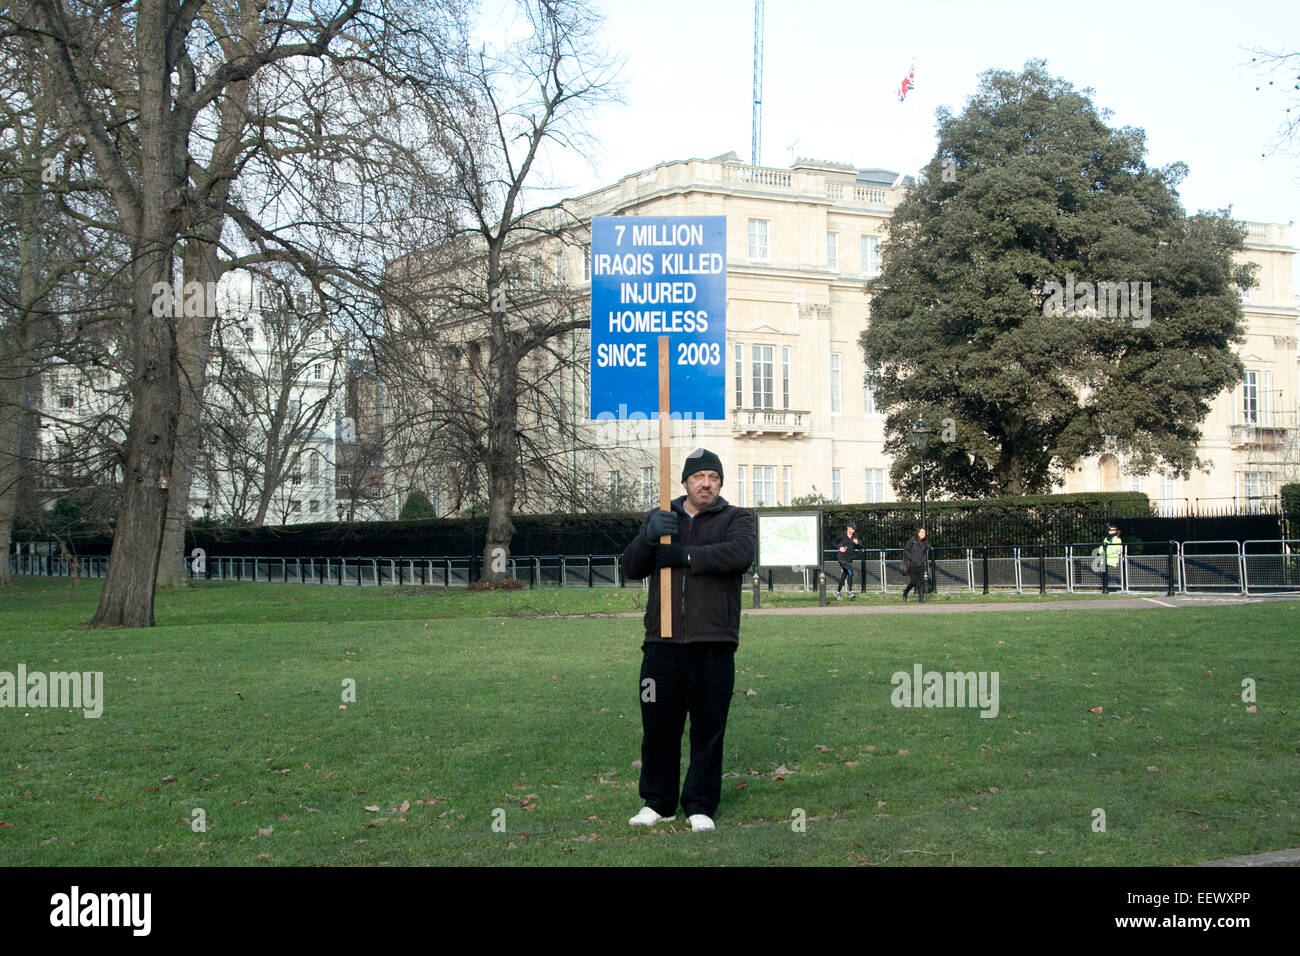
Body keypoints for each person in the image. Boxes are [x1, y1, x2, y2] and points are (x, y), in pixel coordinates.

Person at [621, 448, 755, 832]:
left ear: (720, 483)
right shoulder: (662, 519)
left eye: (714, 477)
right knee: (658, 725)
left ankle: (700, 804)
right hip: (661, 645)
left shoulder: (736, 518)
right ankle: (658, 802)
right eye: (700, 477)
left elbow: (739, 554)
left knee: (709, 727)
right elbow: (631, 567)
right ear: (685, 482)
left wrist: (685, 556)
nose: (707, 483)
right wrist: (649, 536)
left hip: (714, 643)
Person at [901, 527, 931, 602]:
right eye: (921, 532)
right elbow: (906, 550)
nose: (923, 534)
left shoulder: (925, 542)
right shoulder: (912, 541)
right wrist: (911, 558)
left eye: (924, 532)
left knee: (921, 582)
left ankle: (921, 598)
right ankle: (905, 592)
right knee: (914, 581)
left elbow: (925, 552)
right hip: (912, 565)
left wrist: (923, 559)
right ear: (918, 533)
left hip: (921, 564)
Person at [833, 523, 861, 601]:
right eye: (852, 529)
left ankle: (837, 591)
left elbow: (860, 547)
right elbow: (834, 543)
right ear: (848, 528)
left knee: (844, 575)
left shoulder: (855, 536)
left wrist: (857, 543)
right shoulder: (842, 536)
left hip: (849, 559)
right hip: (841, 558)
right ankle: (850, 591)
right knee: (850, 571)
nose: (853, 530)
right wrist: (839, 547)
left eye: (854, 529)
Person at [1103, 523, 1122, 593]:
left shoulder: (1117, 539)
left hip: (1112, 561)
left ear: (1114, 531)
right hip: (1105, 560)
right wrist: (1103, 551)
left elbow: (1116, 549)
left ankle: (1115, 587)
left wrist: (1105, 551)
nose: (1108, 531)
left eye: (1110, 530)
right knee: (1105, 576)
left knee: (1112, 576)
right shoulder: (1106, 538)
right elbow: (1101, 548)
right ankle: (1106, 588)